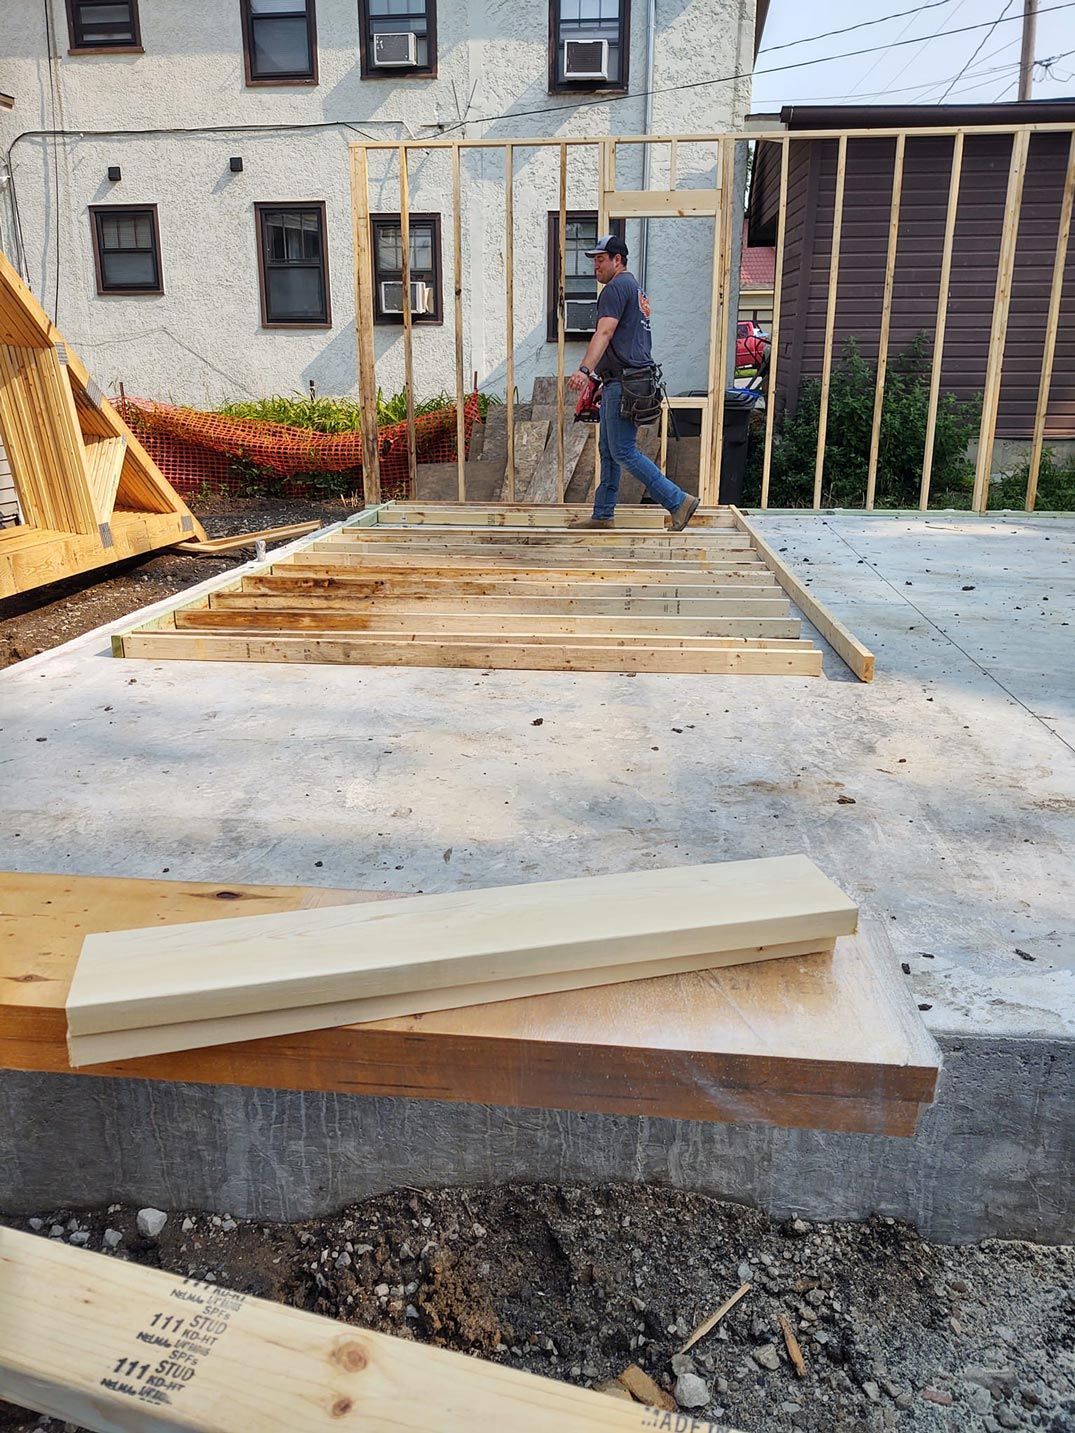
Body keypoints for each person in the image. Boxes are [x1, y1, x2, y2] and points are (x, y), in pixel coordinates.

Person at [566, 234, 699, 531]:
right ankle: (603, 513)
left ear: (618, 260)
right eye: (594, 261)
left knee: (622, 450)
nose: (595, 267)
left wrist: (585, 370)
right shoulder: (634, 288)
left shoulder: (615, 288)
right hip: (632, 381)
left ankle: (678, 501)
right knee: (608, 448)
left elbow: (604, 333)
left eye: (601, 260)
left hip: (625, 383)